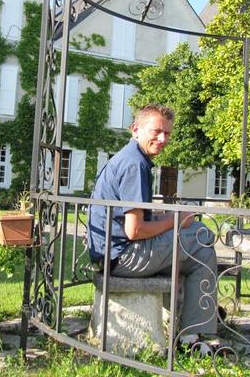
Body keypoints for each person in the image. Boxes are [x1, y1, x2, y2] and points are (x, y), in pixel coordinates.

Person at [87, 103, 219, 349]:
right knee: (202, 238)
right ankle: (192, 333)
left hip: (108, 255)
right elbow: (135, 230)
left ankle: (191, 321)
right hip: (123, 258)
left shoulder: (128, 157)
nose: (162, 139)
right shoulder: (135, 165)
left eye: (167, 133)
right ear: (135, 129)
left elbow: (129, 217)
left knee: (198, 250)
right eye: (156, 131)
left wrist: (163, 217)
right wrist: (176, 220)